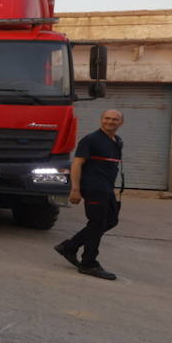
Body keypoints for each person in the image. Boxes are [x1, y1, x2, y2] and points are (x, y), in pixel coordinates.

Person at [54, 109, 124, 280]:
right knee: (97, 223)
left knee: (111, 220)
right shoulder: (91, 140)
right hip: (93, 187)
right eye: (107, 118)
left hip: (106, 188)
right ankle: (88, 263)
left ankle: (70, 246)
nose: (110, 121)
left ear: (121, 123)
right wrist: (75, 189)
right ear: (101, 120)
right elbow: (77, 164)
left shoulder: (117, 141)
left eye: (115, 119)